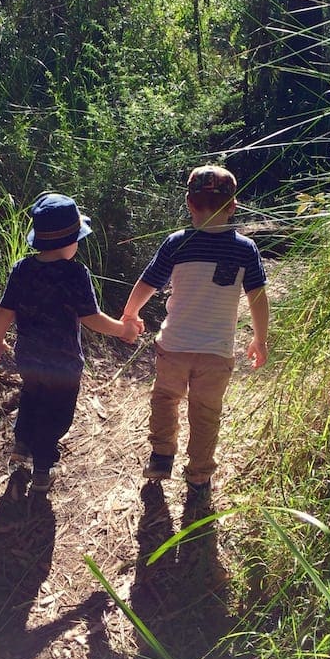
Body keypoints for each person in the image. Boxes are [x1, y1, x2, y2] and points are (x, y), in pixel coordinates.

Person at [121, 165, 269, 504]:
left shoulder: (178, 243)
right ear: (233, 206)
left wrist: (130, 313)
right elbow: (258, 298)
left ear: (189, 203)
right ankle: (200, 476)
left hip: (174, 346)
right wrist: (260, 339)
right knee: (205, 412)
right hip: (216, 353)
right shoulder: (245, 249)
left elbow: (149, 283)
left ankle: (161, 456)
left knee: (165, 399)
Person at [0, 192, 141, 493]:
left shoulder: (22, 268)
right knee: (56, 414)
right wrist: (123, 329)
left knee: (32, 396)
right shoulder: (75, 273)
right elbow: (91, 317)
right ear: (69, 241)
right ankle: (43, 468)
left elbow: (6, 310)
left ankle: (21, 442)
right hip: (64, 363)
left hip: (29, 358)